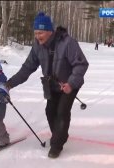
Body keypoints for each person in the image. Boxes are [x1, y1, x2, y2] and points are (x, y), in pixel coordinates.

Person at [5, 12, 89, 158]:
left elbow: (81, 64)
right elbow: (27, 68)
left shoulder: (68, 43)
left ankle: (57, 145)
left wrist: (71, 83)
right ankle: (60, 135)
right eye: (35, 33)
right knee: (50, 111)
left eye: (40, 32)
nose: (37, 36)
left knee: (62, 112)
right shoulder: (37, 46)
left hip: (70, 84)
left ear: (50, 31)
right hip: (52, 85)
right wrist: (10, 84)